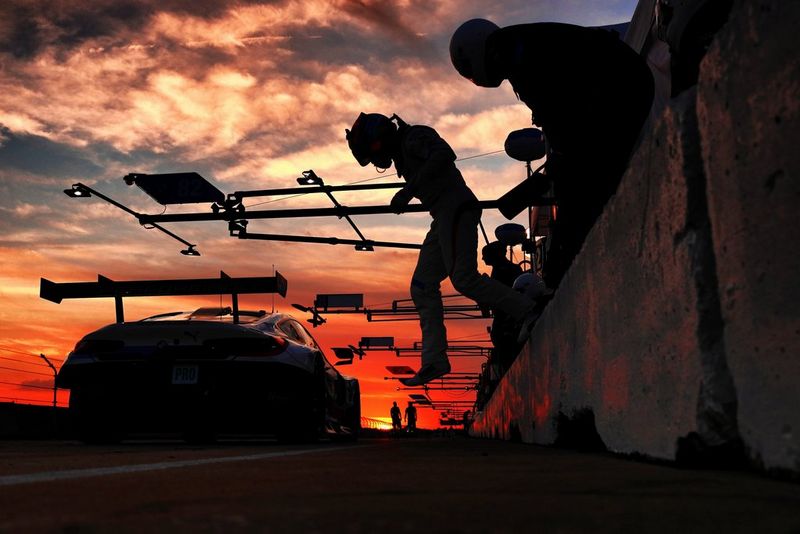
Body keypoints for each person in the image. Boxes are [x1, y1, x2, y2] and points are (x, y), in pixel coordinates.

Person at [450, 19, 654, 287]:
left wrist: (559, 164)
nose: (474, 76)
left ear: (475, 52)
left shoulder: (520, 57)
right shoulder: (518, 46)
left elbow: (559, 119)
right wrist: (559, 162)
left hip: (617, 91)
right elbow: (560, 118)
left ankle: (568, 272)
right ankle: (571, 261)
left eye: (469, 70)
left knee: (584, 185)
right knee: (584, 178)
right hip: (622, 85)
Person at [346, 113, 538, 386]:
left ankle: (528, 310)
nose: (378, 160)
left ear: (380, 138)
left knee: (463, 279)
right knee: (422, 286)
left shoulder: (414, 136)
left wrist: (408, 190)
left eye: (374, 151)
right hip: (442, 216)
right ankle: (434, 360)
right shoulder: (403, 150)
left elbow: (444, 154)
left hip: (456, 207)